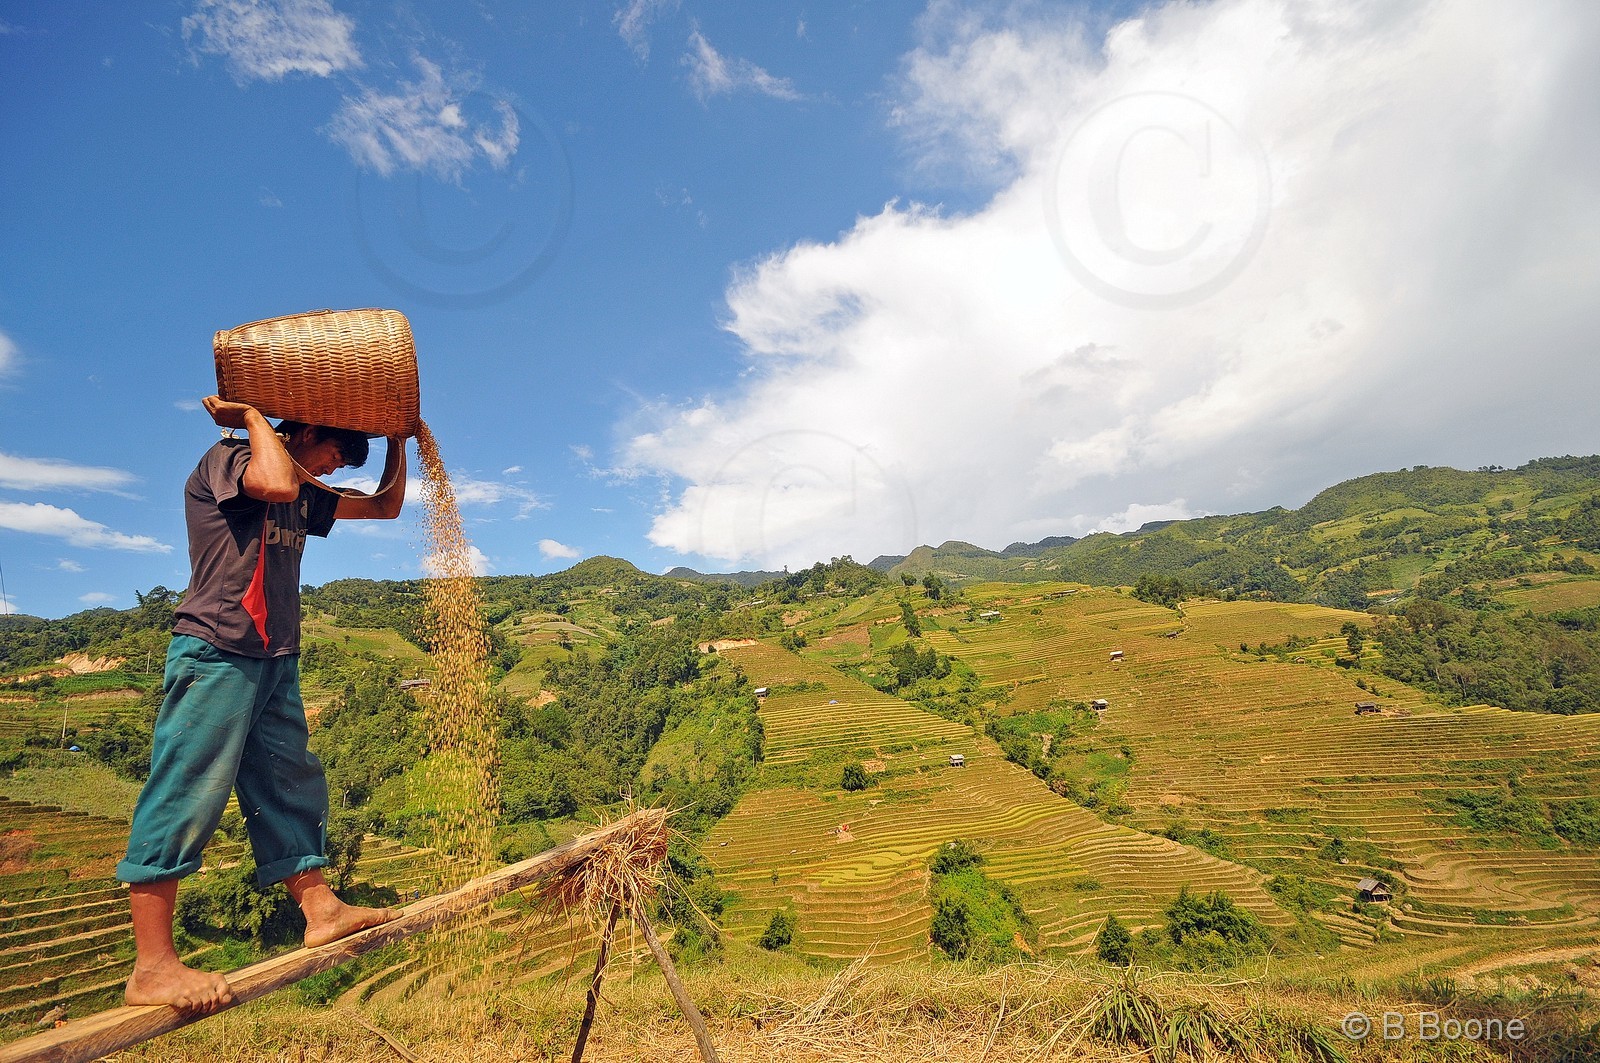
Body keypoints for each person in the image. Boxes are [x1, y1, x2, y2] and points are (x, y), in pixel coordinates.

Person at [116, 395, 408, 1012]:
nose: (330, 471)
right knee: (187, 790)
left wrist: (401, 439)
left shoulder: (301, 487)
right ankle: (152, 967)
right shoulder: (232, 458)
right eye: (332, 454)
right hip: (218, 647)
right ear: (301, 429)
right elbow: (272, 482)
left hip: (275, 654)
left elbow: (385, 506)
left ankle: (321, 909)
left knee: (289, 783)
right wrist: (251, 414)